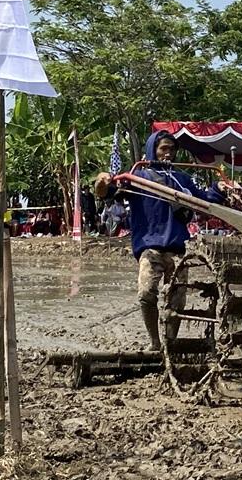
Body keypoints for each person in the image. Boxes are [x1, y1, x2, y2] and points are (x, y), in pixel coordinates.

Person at [95, 131, 226, 350]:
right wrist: (101, 179)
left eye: (172, 149)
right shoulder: (138, 178)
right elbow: (105, 192)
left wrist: (219, 189)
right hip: (150, 247)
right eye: (163, 148)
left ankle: (170, 343)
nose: (168, 153)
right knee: (146, 293)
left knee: (177, 301)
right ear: (152, 150)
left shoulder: (182, 179)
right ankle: (155, 342)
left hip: (178, 249)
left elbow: (205, 200)